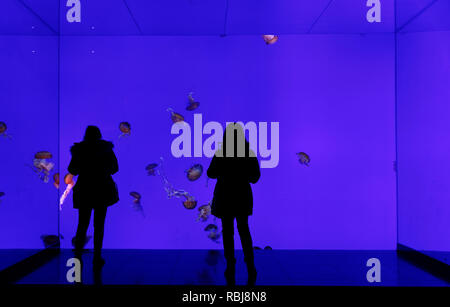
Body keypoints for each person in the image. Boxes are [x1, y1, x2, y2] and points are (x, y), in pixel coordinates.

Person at [207, 123, 261, 286]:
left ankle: (230, 263)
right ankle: (250, 263)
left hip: (225, 196)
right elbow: (255, 177)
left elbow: (210, 173)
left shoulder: (221, 153)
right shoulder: (248, 153)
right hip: (242, 196)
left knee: (227, 231)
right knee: (244, 229)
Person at [68, 126, 119, 267]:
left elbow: (72, 169)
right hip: (102, 189)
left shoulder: (79, 150)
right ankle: (97, 256)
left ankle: (77, 256)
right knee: (99, 225)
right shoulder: (106, 148)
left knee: (82, 223)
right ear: (99, 135)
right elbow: (115, 168)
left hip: (84, 189)